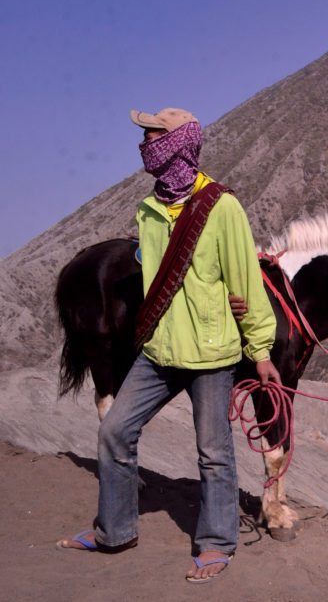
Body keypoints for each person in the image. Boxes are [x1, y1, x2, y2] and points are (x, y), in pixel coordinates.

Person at [58, 107, 280, 584]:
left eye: (154, 135)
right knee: (115, 430)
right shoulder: (149, 208)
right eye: (143, 136)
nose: (145, 145)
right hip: (159, 352)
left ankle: (217, 544)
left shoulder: (222, 207)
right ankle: (114, 531)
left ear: (179, 143)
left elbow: (246, 281)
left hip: (211, 354)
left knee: (213, 452)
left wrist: (260, 352)